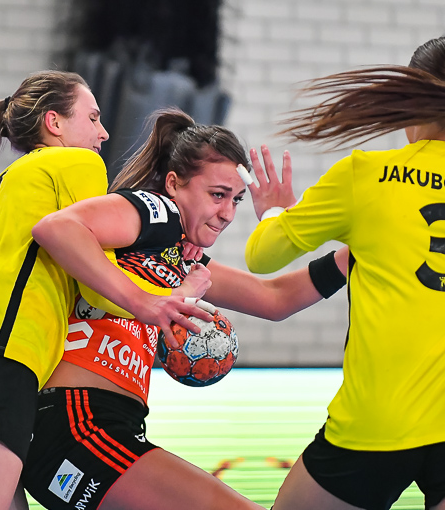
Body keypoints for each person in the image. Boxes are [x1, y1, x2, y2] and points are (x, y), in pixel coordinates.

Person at [244, 35, 445, 510]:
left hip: (375, 425)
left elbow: (261, 257)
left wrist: (275, 212)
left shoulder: (363, 175)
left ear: (410, 94)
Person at [21, 108, 350, 510]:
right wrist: (146, 302)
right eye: (217, 195)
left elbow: (274, 299)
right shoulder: (152, 211)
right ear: (174, 184)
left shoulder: (178, 255)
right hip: (79, 423)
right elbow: (57, 227)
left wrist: (356, 254)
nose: (228, 213)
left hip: (112, 425)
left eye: (236, 199)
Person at [0, 72, 211, 510]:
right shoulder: (77, 163)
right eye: (92, 118)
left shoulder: (7, 181)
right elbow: (98, 283)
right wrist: (176, 291)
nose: (103, 133)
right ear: (54, 123)